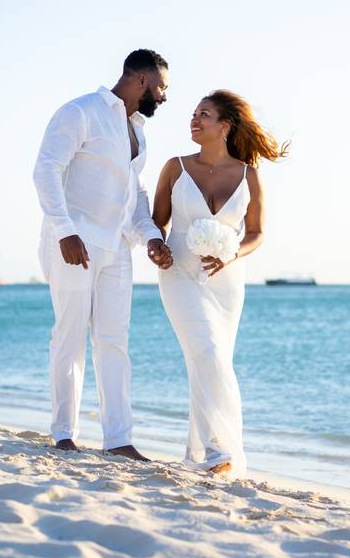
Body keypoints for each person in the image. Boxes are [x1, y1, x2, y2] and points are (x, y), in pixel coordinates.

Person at [32, 49, 174, 461]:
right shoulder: (81, 112)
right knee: (70, 336)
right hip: (74, 242)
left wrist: (150, 235)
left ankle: (118, 439)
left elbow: (134, 194)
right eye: (162, 87)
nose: (164, 97)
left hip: (117, 249)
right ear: (142, 80)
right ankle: (63, 433)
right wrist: (65, 230)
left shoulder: (137, 130)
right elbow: (46, 170)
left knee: (114, 341)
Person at [152, 90, 288, 476]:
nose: (194, 120)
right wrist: (156, 247)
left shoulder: (249, 175)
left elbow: (257, 233)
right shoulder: (175, 168)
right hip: (178, 273)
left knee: (209, 360)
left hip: (226, 281)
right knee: (208, 352)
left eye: (204, 115)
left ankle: (200, 455)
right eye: (194, 114)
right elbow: (158, 221)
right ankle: (221, 452)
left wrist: (232, 253)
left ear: (225, 126)